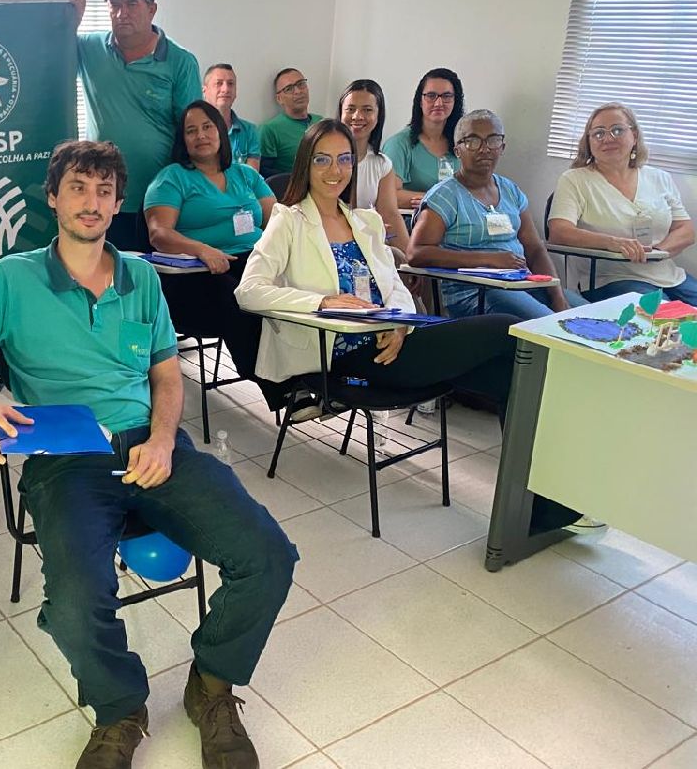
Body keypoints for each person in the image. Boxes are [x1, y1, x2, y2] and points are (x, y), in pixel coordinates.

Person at [0, 140, 297, 769]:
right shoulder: (13, 278)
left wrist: (162, 439)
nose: (91, 201)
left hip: (152, 446)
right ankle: (119, 707)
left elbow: (167, 377)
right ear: (53, 197)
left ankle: (212, 686)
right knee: (74, 605)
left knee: (268, 556)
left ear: (118, 203)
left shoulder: (141, 277)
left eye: (104, 191)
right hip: (67, 458)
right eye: (78, 187)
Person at [234, 120, 584, 533]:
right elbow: (248, 291)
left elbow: (395, 287)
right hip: (344, 357)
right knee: (508, 329)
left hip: (392, 343)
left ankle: (542, 509)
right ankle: (540, 510)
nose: (335, 170)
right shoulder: (289, 221)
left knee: (516, 375)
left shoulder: (364, 221)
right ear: (305, 166)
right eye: (322, 160)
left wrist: (400, 324)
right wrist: (322, 302)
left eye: (344, 159)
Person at [64, 0, 202, 250]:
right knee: (101, 271)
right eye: (115, 6)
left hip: (158, 201)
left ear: (152, 9)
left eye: (131, 4)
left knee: (149, 273)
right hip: (100, 197)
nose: (121, 13)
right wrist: (70, 20)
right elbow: (46, 55)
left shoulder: (180, 61)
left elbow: (192, 131)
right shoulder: (89, 48)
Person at [408, 109, 583, 320]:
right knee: (550, 324)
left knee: (591, 316)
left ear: (502, 147)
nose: (484, 149)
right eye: (473, 141)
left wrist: (557, 296)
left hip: (523, 283)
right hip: (475, 292)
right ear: (457, 151)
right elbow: (416, 253)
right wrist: (487, 259)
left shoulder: (511, 191)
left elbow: (535, 249)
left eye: (493, 140)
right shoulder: (445, 196)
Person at [143, 100, 274, 380]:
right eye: (191, 131)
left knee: (296, 290)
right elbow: (159, 233)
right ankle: (278, 388)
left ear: (221, 131)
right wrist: (201, 249)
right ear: (183, 140)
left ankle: (315, 376)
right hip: (199, 274)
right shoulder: (172, 178)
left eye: (207, 127)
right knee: (240, 300)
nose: (200, 135)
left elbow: (278, 222)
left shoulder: (246, 174)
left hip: (255, 261)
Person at [548, 102, 697, 305]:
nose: (608, 138)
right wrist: (613, 243)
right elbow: (559, 232)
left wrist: (656, 251)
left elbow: (686, 230)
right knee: (662, 315)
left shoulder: (659, 177)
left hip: (669, 276)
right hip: (610, 279)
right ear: (588, 142)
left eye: (617, 130)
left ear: (634, 135)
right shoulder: (575, 180)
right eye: (598, 133)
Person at [338, 79, 410, 254]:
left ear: (379, 115)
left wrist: (410, 260)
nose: (357, 116)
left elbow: (390, 215)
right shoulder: (324, 159)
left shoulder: (382, 164)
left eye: (367, 110)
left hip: (365, 247)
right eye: (350, 109)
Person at [382, 68, 463, 208]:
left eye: (446, 96)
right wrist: (434, 200)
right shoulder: (398, 144)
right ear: (420, 101)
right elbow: (388, 195)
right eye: (431, 96)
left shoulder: (462, 143)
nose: (439, 103)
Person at [259, 68, 322, 177]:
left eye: (301, 84)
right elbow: (262, 171)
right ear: (279, 99)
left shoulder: (321, 122)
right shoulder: (270, 130)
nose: (298, 91)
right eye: (289, 89)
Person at [202, 63, 260, 170]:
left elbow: (252, 175)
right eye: (219, 83)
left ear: (235, 91)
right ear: (205, 91)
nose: (226, 89)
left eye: (230, 84)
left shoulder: (250, 131)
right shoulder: (195, 131)